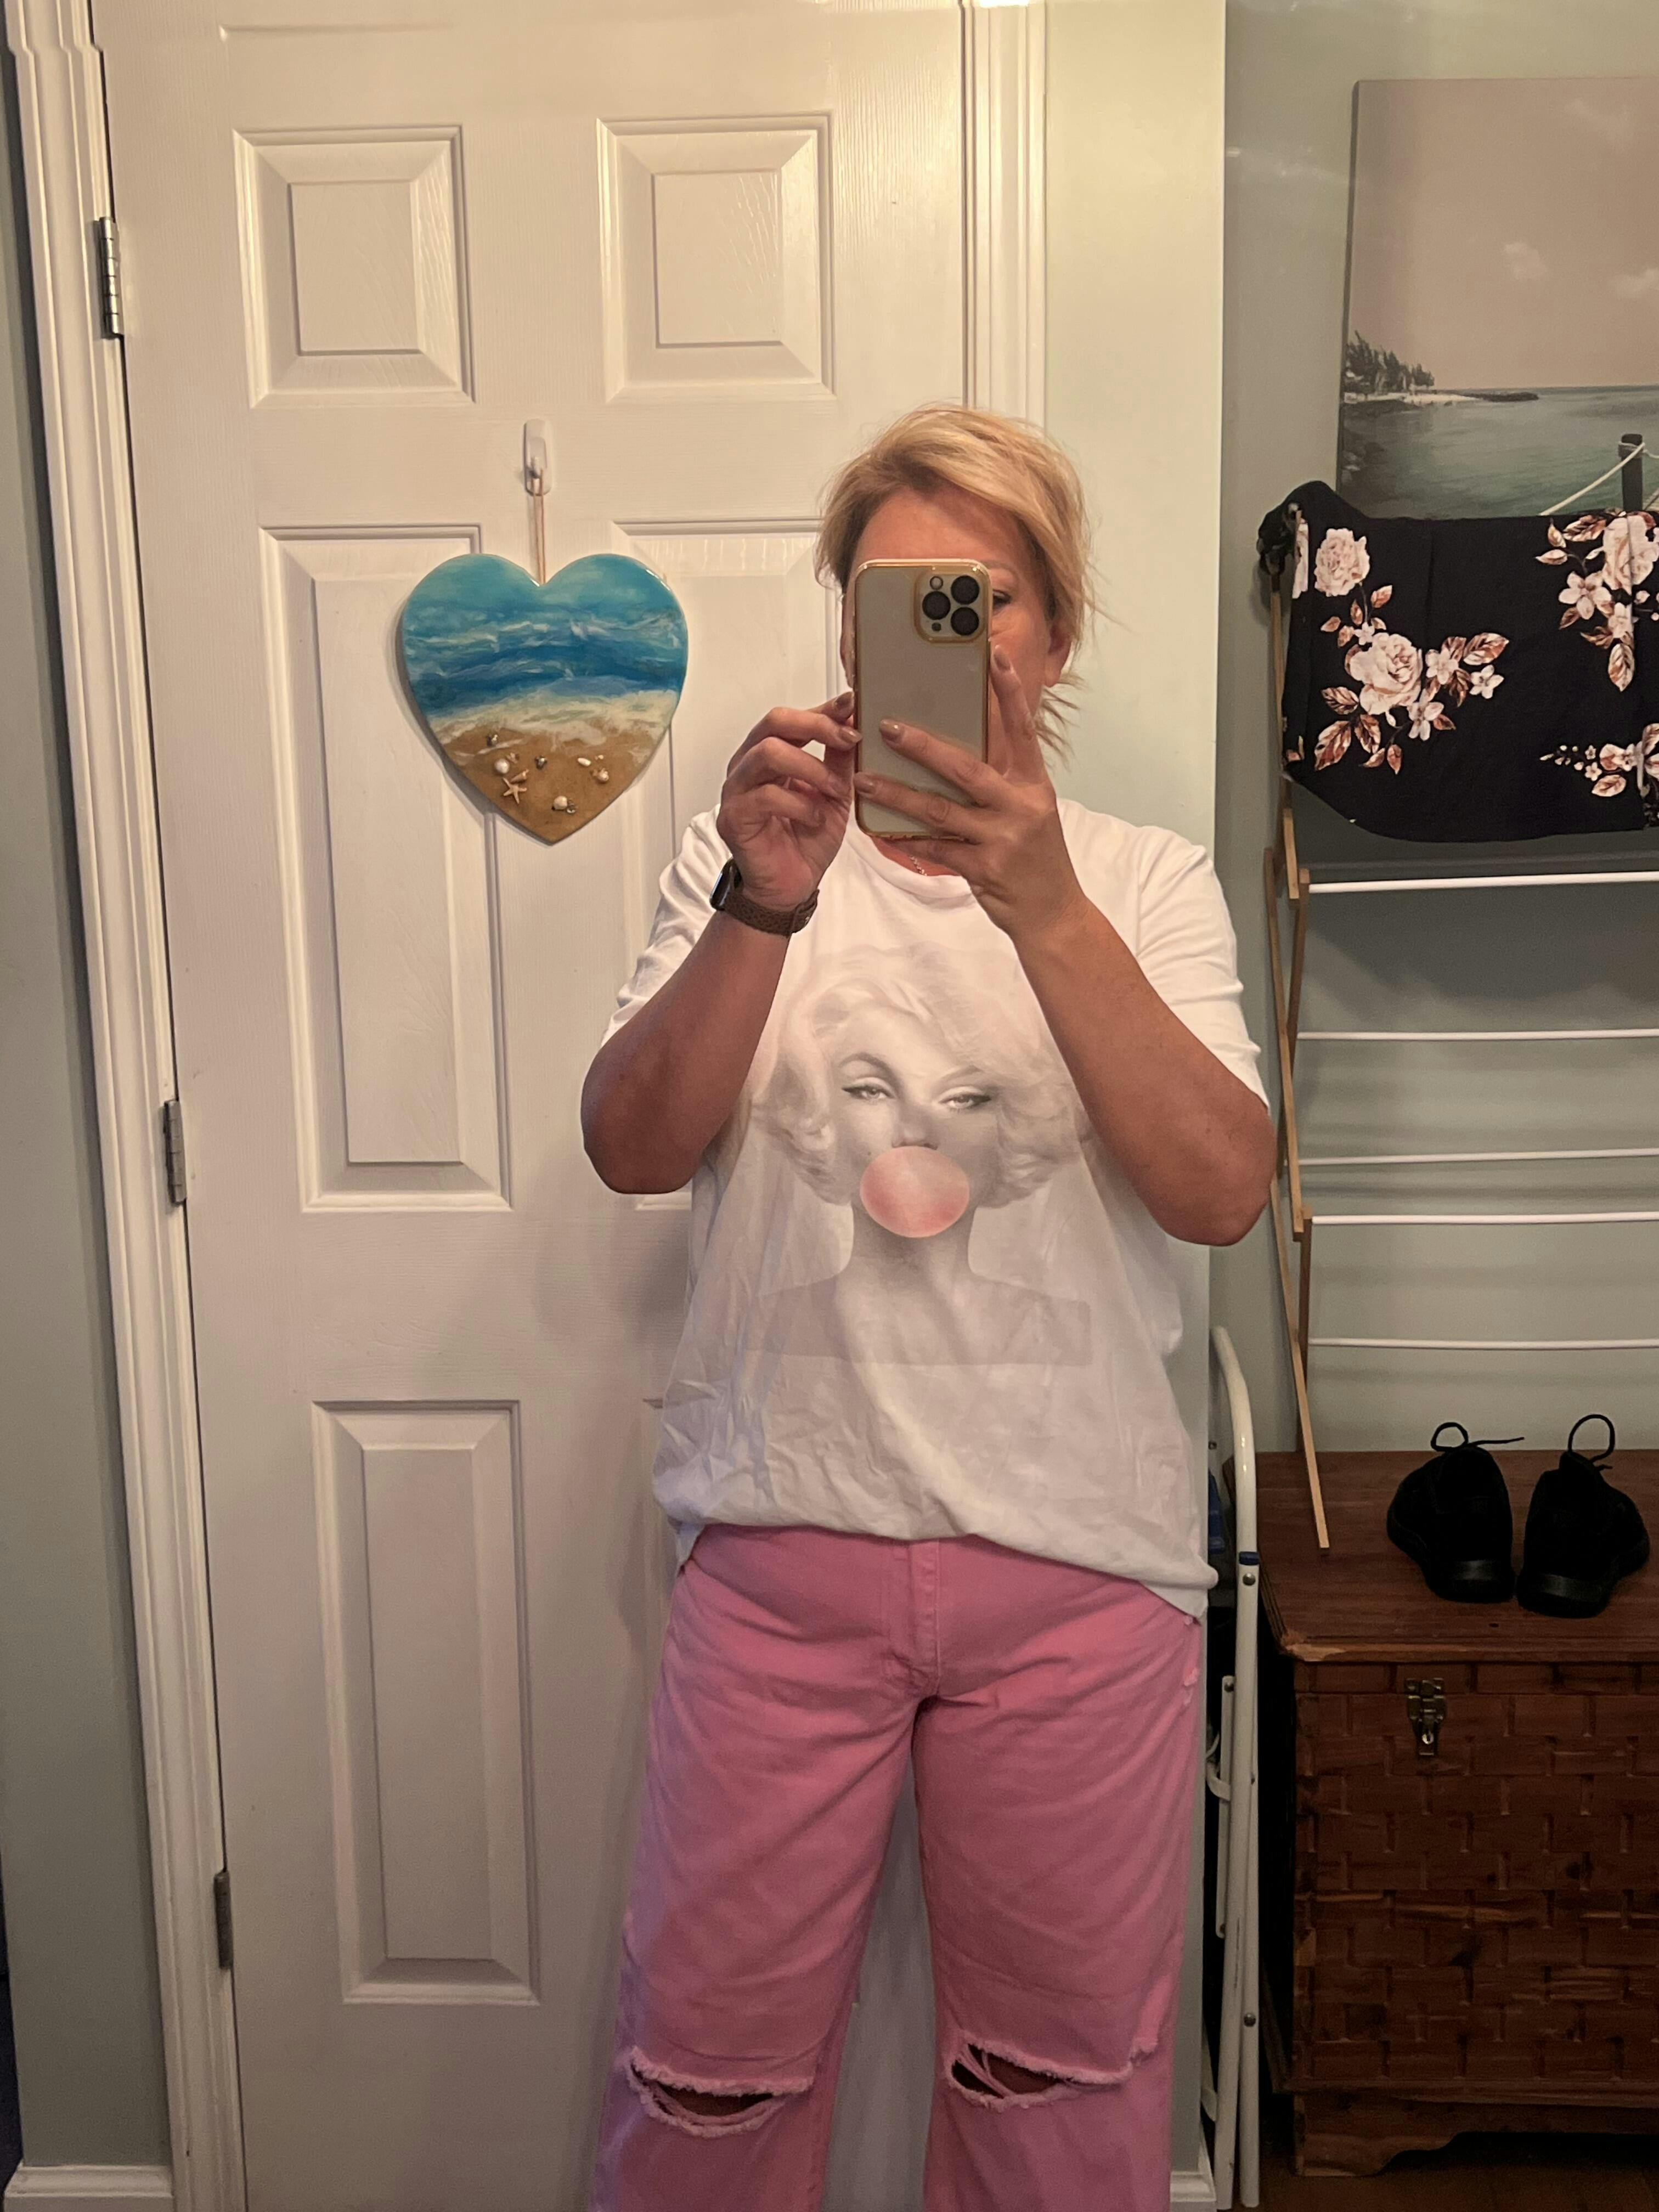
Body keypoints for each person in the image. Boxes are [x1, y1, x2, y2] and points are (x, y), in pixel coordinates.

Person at [580, 402, 1274, 2211]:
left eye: (980, 598)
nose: (940, 635)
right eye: (891, 599)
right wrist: (760, 907)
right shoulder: (748, 868)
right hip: (779, 1562)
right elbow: (634, 1149)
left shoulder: (1144, 882)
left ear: (1054, 629)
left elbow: (1220, 1189)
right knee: (703, 2080)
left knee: (1063, 2098)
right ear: (847, 624)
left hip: (1078, 1577)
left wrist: (1043, 906)